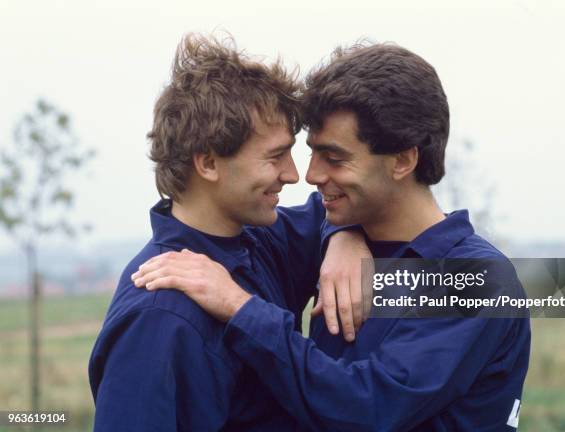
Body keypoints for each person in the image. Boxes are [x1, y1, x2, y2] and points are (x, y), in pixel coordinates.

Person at [134, 42, 531, 431]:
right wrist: (342, 233)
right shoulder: (326, 225)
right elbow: (199, 233)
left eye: (335, 159)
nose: (310, 175)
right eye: (313, 153)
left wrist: (240, 307)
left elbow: (366, 408)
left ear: (403, 160)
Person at [88, 34, 369, 432]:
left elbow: (353, 208)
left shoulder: (263, 240)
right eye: (275, 157)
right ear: (208, 163)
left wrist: (346, 235)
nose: (293, 175)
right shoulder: (159, 320)